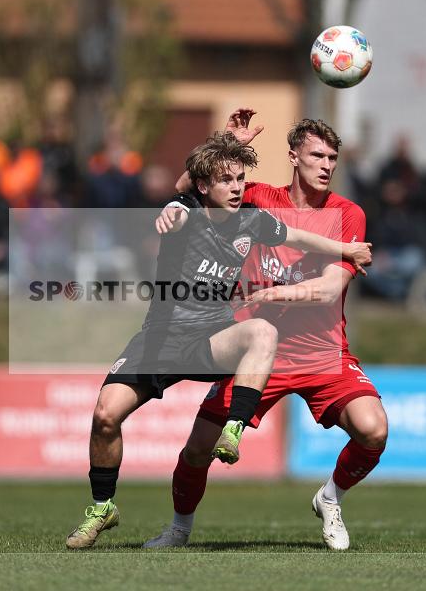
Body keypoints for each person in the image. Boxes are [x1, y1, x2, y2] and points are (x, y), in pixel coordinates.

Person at [64, 131, 371, 549]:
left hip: (212, 339)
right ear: (203, 185)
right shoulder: (185, 212)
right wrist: (171, 209)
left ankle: (235, 428)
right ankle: (103, 507)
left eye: (241, 179)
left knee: (262, 332)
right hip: (161, 340)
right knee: (105, 416)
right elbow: (177, 200)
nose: (237, 188)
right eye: (226, 181)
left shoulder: (253, 219)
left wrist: (344, 249)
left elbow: (298, 238)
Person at [144, 110, 388, 551]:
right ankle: (178, 532)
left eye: (333, 157)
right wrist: (225, 145)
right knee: (198, 448)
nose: (327, 165)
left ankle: (330, 497)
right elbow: (186, 188)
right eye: (317, 155)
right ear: (293, 156)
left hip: (321, 354)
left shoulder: (347, 214)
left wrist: (269, 294)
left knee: (374, 430)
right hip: (256, 353)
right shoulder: (256, 196)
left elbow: (331, 288)